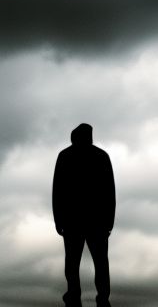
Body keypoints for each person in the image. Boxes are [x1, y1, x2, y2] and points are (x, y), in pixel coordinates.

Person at [52, 123, 115, 307]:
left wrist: (58, 219)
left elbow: (58, 191)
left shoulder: (65, 156)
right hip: (97, 222)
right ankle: (102, 297)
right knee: (100, 263)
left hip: (73, 221)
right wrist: (109, 221)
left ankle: (74, 295)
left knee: (73, 263)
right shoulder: (101, 156)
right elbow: (109, 192)